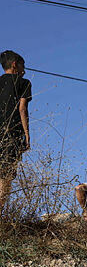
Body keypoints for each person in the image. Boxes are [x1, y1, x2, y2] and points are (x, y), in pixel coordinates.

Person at [0, 50, 32, 210]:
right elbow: (22, 109)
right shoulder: (23, 83)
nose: (24, 71)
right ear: (14, 65)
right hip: (11, 134)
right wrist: (27, 136)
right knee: (5, 175)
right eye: (22, 66)